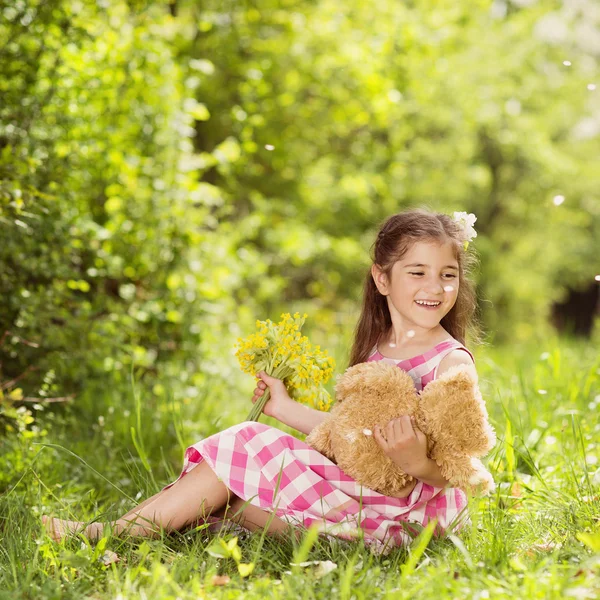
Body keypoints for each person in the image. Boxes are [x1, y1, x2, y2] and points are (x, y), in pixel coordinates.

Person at [43, 207, 484, 554]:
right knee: (230, 496)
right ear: (381, 278)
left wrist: (415, 461)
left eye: (448, 274)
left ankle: (108, 534)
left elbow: (460, 471)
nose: (436, 287)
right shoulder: (380, 344)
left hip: (406, 519)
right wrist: (283, 408)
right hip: (364, 496)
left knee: (249, 442)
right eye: (418, 272)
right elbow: (353, 437)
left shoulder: (450, 364)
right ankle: (131, 530)